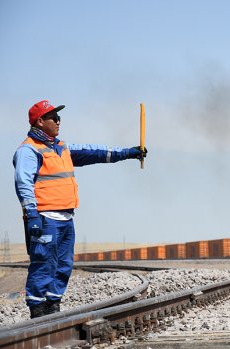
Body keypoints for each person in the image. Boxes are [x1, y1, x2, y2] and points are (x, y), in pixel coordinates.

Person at [13, 100, 147, 319]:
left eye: (59, 117)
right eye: (53, 117)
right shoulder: (29, 151)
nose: (58, 121)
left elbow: (93, 153)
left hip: (66, 218)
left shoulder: (61, 147)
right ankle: (37, 313)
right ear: (39, 121)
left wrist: (128, 153)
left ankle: (53, 308)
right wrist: (32, 214)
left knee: (64, 265)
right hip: (45, 218)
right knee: (43, 264)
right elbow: (23, 183)